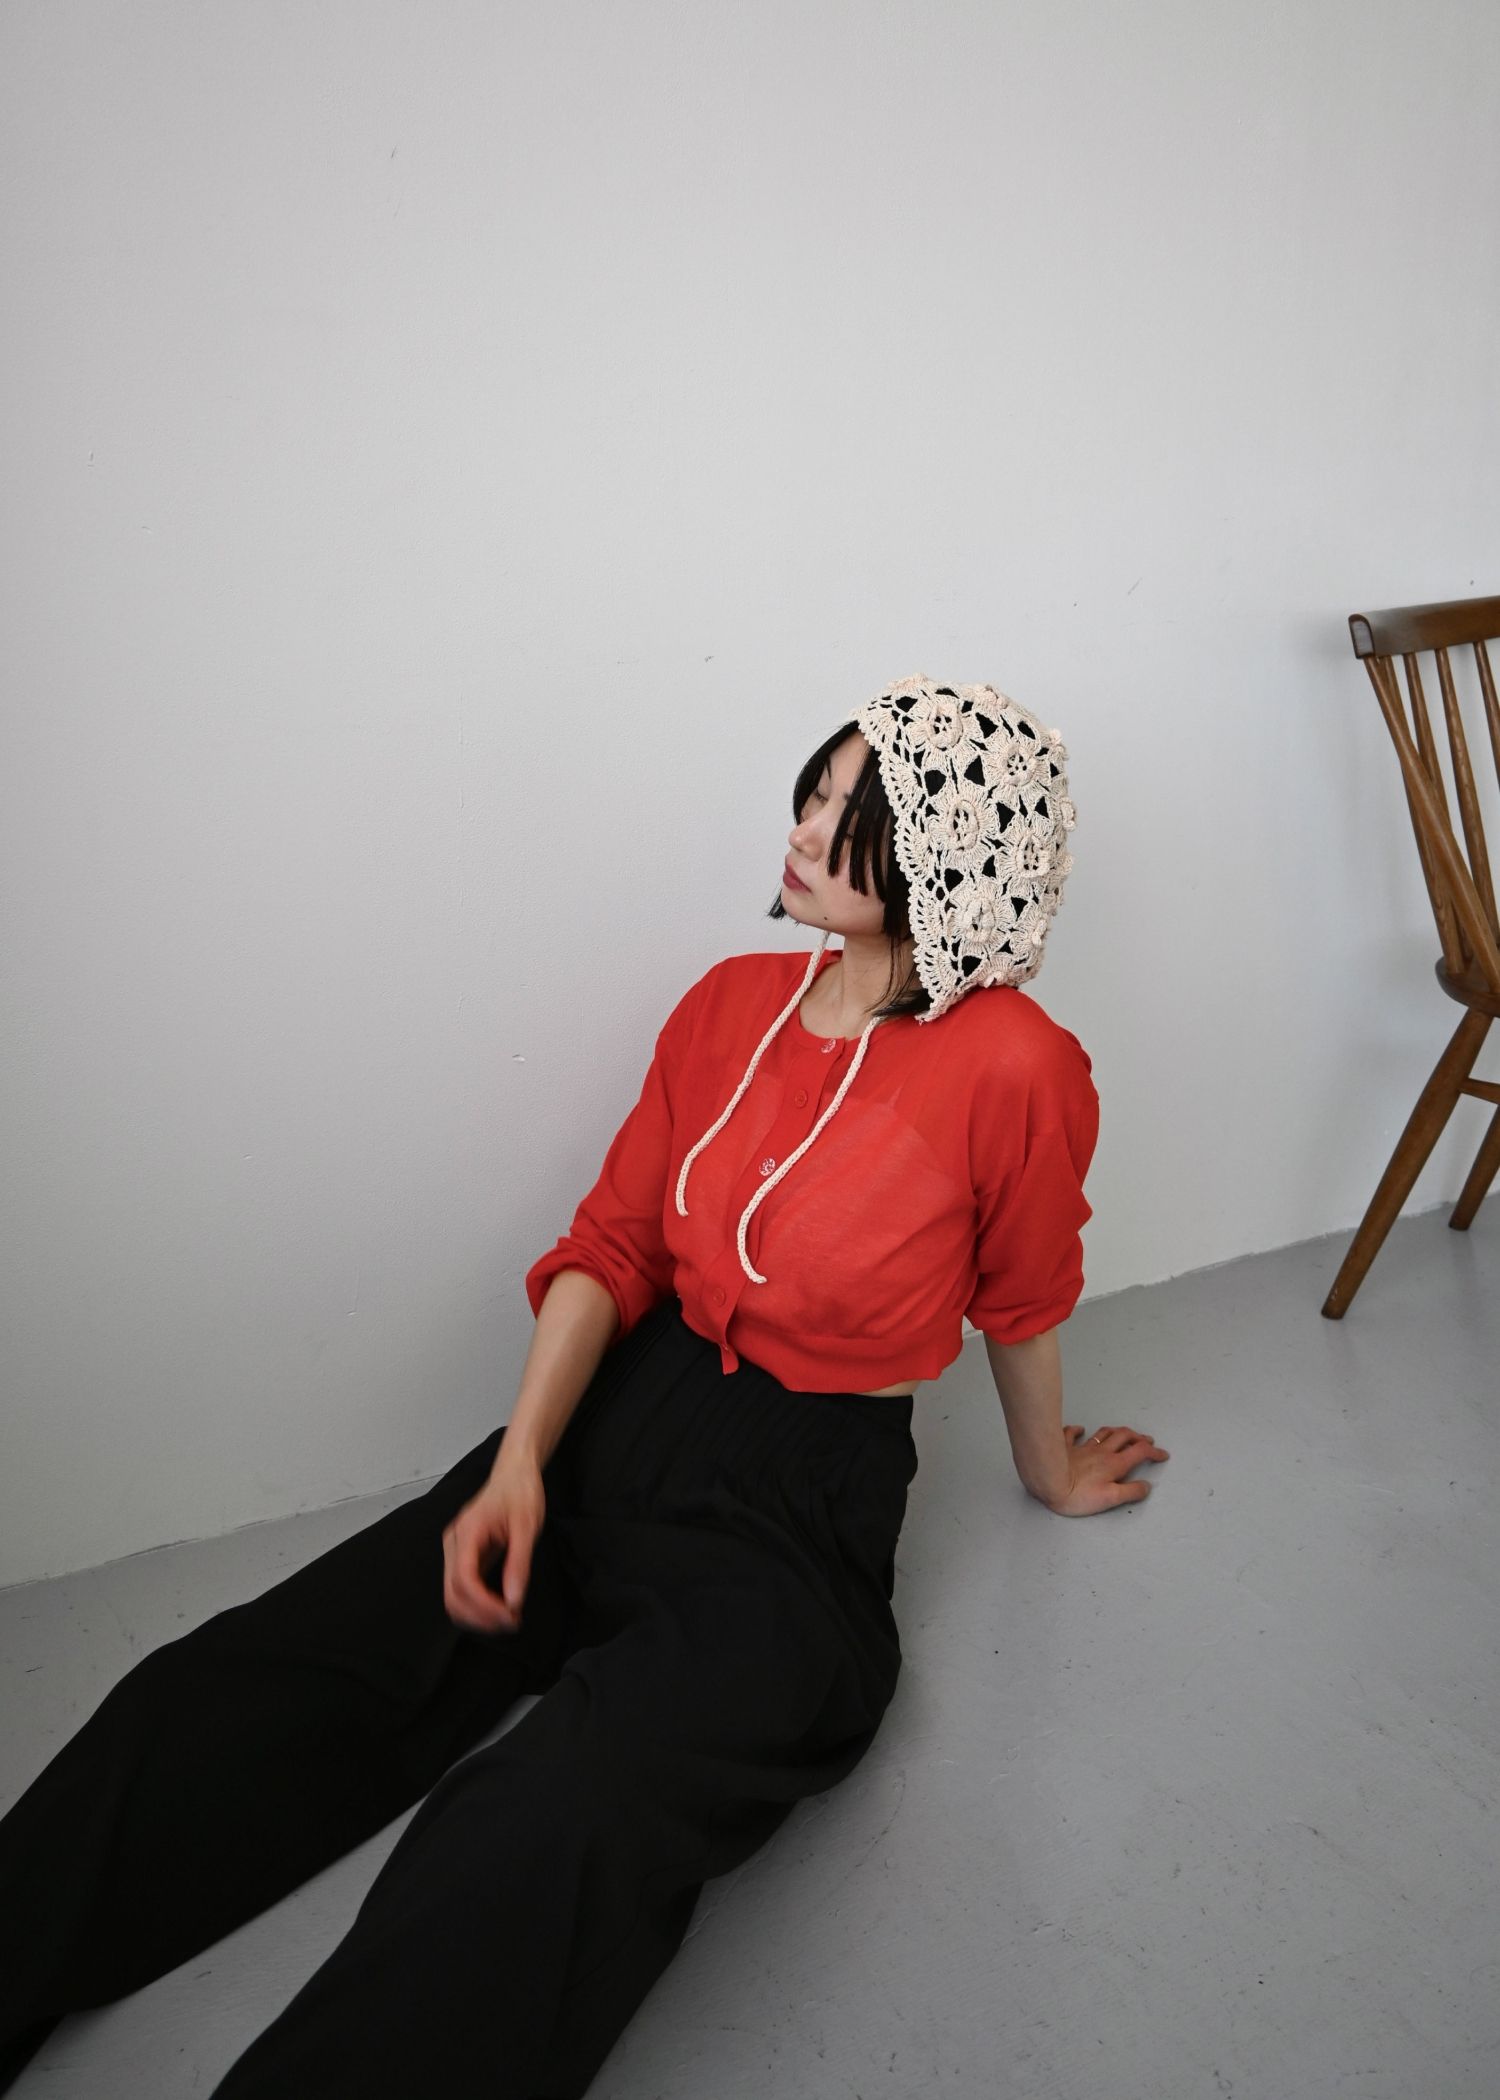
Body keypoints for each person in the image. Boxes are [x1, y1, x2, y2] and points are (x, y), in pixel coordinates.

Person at [0, 674, 1168, 2097]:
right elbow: (614, 1248)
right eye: (811, 793)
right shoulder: (727, 1004)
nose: (802, 829)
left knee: (536, 1827)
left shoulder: (1015, 1065)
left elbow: (1023, 1295)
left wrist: (1049, 1471)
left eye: (852, 813)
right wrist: (519, 1466)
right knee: (234, 1686)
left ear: (952, 854)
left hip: (799, 1510)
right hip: (619, 1417)